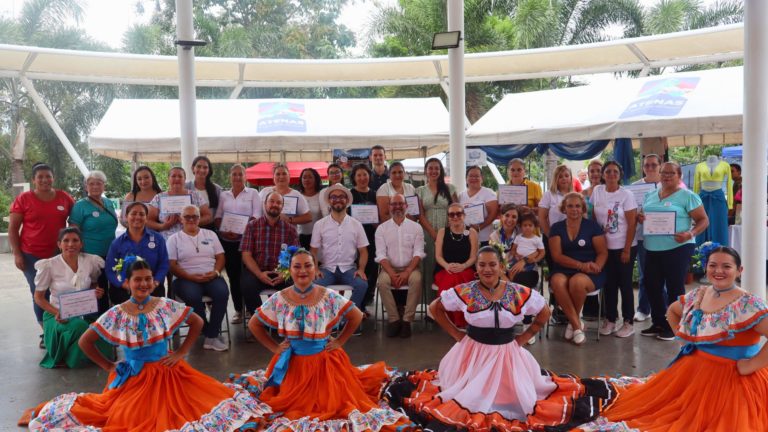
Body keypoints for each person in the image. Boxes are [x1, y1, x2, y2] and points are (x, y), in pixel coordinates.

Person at [20, 259, 267, 430]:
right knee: (131, 419)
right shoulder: (117, 312)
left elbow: (197, 322)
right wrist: (108, 366)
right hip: (135, 378)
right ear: (127, 283)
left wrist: (181, 352)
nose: (144, 284)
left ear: (154, 281)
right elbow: (86, 341)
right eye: (138, 280)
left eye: (148, 279)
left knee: (196, 407)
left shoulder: (164, 304)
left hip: (171, 371)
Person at [386, 246, 613, 431]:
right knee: (468, 397)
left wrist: (524, 338)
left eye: (492, 264)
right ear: (476, 268)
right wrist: (457, 335)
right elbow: (436, 307)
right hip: (472, 355)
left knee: (516, 400)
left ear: (501, 267)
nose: (487, 269)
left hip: (507, 354)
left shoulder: (516, 291)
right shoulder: (466, 290)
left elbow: (545, 310)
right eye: (482, 265)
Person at [581, 247, 768, 431]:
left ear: (739, 270)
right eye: (713, 265)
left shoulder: (749, 303)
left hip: (735, 380)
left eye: (726, 266)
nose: (718, 271)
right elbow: (672, 311)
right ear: (706, 268)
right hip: (693, 372)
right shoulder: (700, 293)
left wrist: (752, 364)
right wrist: (686, 341)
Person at [231, 249, 412, 431]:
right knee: (294, 406)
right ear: (289, 270)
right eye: (297, 266)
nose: (303, 270)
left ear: (315, 269)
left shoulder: (327, 295)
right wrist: (275, 348)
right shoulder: (280, 297)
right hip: (292, 366)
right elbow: (254, 324)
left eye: (308, 265)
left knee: (331, 404)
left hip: (325, 364)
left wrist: (340, 341)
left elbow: (356, 316)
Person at [639, 162, 709, 341]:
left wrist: (690, 234)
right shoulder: (650, 195)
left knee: (674, 287)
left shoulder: (687, 196)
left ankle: (675, 325)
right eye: (663, 173)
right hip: (652, 248)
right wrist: (641, 218)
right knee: (652, 285)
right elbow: (644, 216)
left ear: (679, 176)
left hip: (678, 247)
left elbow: (703, 220)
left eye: (671, 173)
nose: (666, 176)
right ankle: (658, 322)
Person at [9, 163, 75, 337]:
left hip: (57, 254)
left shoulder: (64, 197)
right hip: (31, 255)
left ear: (53, 178)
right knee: (39, 292)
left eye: (48, 176)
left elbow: (75, 222)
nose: (45, 180)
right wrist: (17, 254)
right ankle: (46, 331)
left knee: (60, 290)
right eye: (40, 177)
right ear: (34, 180)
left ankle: (59, 326)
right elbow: (13, 228)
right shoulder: (24, 199)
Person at [33, 227, 112, 368]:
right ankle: (70, 358)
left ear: (81, 244)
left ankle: (89, 357)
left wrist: (96, 292)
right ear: (59, 244)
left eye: (75, 240)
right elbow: (38, 298)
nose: (71, 244)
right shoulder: (49, 265)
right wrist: (57, 312)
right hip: (56, 314)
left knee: (101, 328)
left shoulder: (90, 261)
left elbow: (93, 284)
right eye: (66, 241)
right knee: (80, 327)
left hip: (85, 312)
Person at [548, 192, 608, 345]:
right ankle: (576, 325)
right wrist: (581, 265)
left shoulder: (593, 226)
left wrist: (597, 266)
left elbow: (602, 252)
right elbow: (557, 256)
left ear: (583, 209)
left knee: (577, 282)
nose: (574, 209)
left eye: (577, 206)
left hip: (589, 271)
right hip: (564, 267)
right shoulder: (556, 228)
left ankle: (572, 323)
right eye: (570, 206)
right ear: (564, 209)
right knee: (557, 281)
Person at [167, 205, 229, 352]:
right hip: (185, 278)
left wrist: (215, 272)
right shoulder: (173, 239)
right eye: (187, 217)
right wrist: (189, 276)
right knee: (192, 296)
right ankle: (210, 334)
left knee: (222, 292)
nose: (191, 219)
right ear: (181, 219)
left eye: (194, 216)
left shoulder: (210, 234)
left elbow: (220, 257)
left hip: (211, 276)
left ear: (199, 218)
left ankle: (209, 336)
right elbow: (171, 265)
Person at [591, 161, 638, 338]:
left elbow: (632, 223)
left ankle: (628, 322)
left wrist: (626, 250)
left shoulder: (627, 195)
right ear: (603, 175)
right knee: (608, 284)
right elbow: (594, 215)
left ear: (620, 175)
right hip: (604, 248)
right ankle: (611, 319)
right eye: (608, 171)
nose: (611, 174)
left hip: (623, 247)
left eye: (615, 172)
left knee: (625, 285)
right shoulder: (597, 191)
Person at [215, 164, 262, 325]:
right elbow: (218, 216)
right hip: (228, 242)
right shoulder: (223, 195)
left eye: (240, 174)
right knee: (233, 277)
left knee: (247, 276)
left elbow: (257, 215)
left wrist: (242, 230)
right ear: (230, 176)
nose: (237, 177)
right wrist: (224, 231)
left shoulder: (253, 193)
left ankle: (251, 310)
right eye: (234, 174)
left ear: (245, 177)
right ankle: (238, 310)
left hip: (248, 242)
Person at [311, 184, 370, 312]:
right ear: (329, 201)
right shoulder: (319, 225)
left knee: (362, 285)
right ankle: (326, 318)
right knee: (313, 286)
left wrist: (361, 269)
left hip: (349, 269)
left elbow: (363, 251)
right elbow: (313, 251)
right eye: (334, 197)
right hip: (326, 269)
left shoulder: (356, 224)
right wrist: (315, 269)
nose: (338, 199)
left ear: (347, 201)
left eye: (341, 197)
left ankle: (348, 317)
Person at [240, 191, 300, 314]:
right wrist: (259, 274)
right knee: (247, 286)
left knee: (296, 286)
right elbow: (246, 255)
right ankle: (261, 322)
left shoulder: (290, 229)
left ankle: (283, 322)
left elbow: (296, 256)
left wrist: (285, 274)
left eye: (278, 203)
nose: (275, 205)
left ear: (282, 207)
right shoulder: (252, 226)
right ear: (265, 204)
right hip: (257, 270)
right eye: (271, 201)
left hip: (282, 271)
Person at [375, 194, 425, 338]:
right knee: (382, 282)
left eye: (400, 204)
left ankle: (407, 321)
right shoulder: (382, 229)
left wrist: (408, 271)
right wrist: (391, 273)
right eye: (394, 204)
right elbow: (381, 254)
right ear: (389, 207)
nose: (397, 207)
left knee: (416, 280)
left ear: (406, 206)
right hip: (389, 268)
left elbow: (418, 252)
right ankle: (394, 320)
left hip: (411, 267)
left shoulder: (416, 228)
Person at [69, 170, 118, 312]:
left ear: (104, 186)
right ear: (86, 187)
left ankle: (112, 316)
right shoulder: (80, 206)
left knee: (114, 286)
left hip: (111, 253)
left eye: (99, 183)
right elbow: (74, 232)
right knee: (97, 289)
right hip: (90, 255)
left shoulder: (108, 203)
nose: (95, 186)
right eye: (91, 184)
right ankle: (98, 323)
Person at [417, 158, 458, 300]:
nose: (433, 171)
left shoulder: (450, 188)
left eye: (436, 168)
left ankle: (445, 301)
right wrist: (434, 234)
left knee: (444, 265)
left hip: (447, 232)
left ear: (440, 171)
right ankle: (429, 303)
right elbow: (420, 214)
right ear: (426, 171)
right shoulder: (420, 190)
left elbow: (455, 210)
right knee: (428, 265)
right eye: (430, 168)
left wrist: (444, 232)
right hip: (427, 233)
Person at [433, 202, 479, 327]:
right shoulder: (442, 232)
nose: (455, 217)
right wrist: (447, 266)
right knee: (453, 277)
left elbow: (474, 257)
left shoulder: (472, 232)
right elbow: (438, 256)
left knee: (459, 278)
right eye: (451, 214)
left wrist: (463, 266)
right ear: (448, 217)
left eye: (458, 213)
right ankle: (456, 320)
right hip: (444, 269)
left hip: (467, 268)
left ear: (464, 215)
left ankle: (450, 317)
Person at [632, 153, 662, 323]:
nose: (650, 168)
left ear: (660, 166)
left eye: (653, 165)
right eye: (646, 165)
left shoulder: (670, 185)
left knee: (663, 276)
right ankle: (644, 309)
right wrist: (637, 216)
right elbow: (630, 211)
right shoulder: (635, 187)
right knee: (645, 275)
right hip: (643, 237)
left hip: (666, 238)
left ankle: (664, 309)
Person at [147, 167, 212, 240]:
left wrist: (192, 221)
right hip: (166, 241)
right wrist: (163, 226)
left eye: (180, 176)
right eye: (173, 176)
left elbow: (208, 216)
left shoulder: (195, 196)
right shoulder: (158, 197)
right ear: (168, 179)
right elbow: (148, 221)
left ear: (185, 179)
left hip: (191, 240)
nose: (177, 179)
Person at [349, 163, 379, 307]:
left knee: (372, 267)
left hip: (372, 236)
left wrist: (376, 222)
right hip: (354, 237)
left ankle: (368, 297)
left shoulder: (375, 194)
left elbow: (379, 216)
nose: (362, 178)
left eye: (365, 175)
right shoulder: (349, 194)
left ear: (369, 176)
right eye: (359, 175)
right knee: (357, 268)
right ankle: (358, 302)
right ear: (354, 178)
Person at [459, 165, 499, 246]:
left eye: (477, 176)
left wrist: (480, 227)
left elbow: (493, 214)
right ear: (466, 179)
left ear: (482, 178)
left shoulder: (488, 193)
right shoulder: (461, 195)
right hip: (466, 237)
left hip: (484, 238)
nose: (474, 178)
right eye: (470, 176)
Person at [508, 211, 545, 289]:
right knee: (511, 271)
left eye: (530, 225)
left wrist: (535, 259)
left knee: (522, 271)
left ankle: (516, 285)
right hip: (517, 260)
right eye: (525, 225)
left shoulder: (537, 239)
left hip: (530, 262)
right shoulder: (518, 237)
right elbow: (513, 249)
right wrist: (515, 255)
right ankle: (511, 286)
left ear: (534, 227)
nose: (527, 227)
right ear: (521, 227)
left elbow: (542, 252)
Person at [185, 155, 222, 230]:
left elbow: (219, 212)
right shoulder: (185, 187)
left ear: (209, 170)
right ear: (193, 168)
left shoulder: (217, 189)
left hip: (210, 229)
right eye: (198, 166)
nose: (202, 170)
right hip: (189, 228)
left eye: (205, 167)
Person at [296, 167, 324, 250]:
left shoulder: (321, 195)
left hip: (318, 237)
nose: (307, 180)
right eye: (304, 177)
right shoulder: (297, 196)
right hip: (300, 237)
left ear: (316, 179)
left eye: (310, 177)